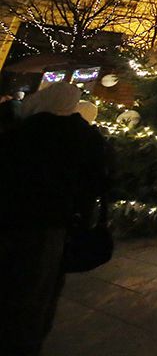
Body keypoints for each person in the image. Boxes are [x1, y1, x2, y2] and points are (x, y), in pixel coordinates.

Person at [0, 82, 108, 353]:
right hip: (58, 222)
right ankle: (27, 342)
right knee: (39, 290)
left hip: (14, 217)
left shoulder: (21, 132)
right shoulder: (86, 137)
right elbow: (101, 180)